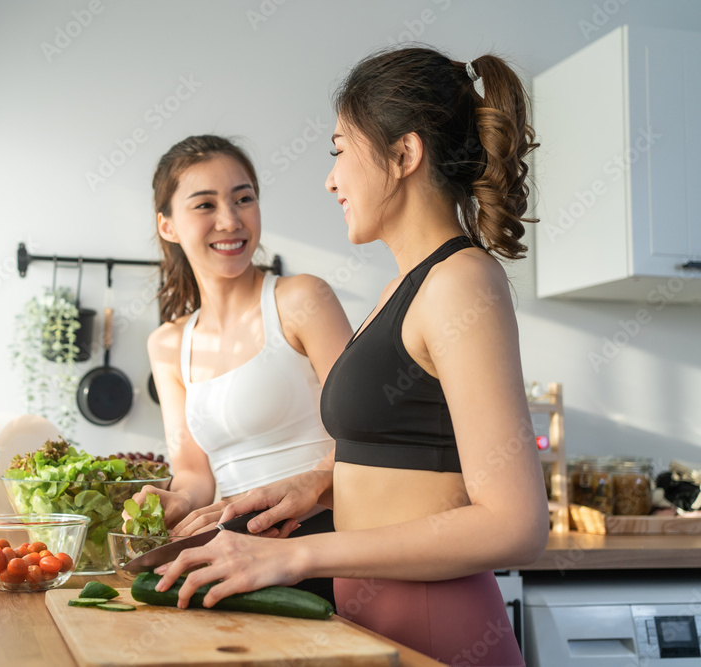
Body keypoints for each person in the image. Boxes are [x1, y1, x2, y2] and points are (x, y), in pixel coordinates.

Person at [153, 48, 548, 667]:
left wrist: (297, 555)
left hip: (439, 635)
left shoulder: (461, 281)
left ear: (404, 155)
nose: (331, 179)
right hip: (369, 630)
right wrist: (316, 488)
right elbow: (412, 471)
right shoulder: (401, 288)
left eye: (339, 150)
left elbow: (515, 523)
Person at [135, 134, 353, 604]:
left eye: (243, 198)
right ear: (168, 225)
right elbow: (194, 473)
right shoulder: (168, 344)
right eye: (205, 204)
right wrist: (178, 501)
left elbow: (368, 433)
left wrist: (310, 488)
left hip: (325, 543)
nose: (230, 220)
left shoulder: (301, 300)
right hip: (234, 553)